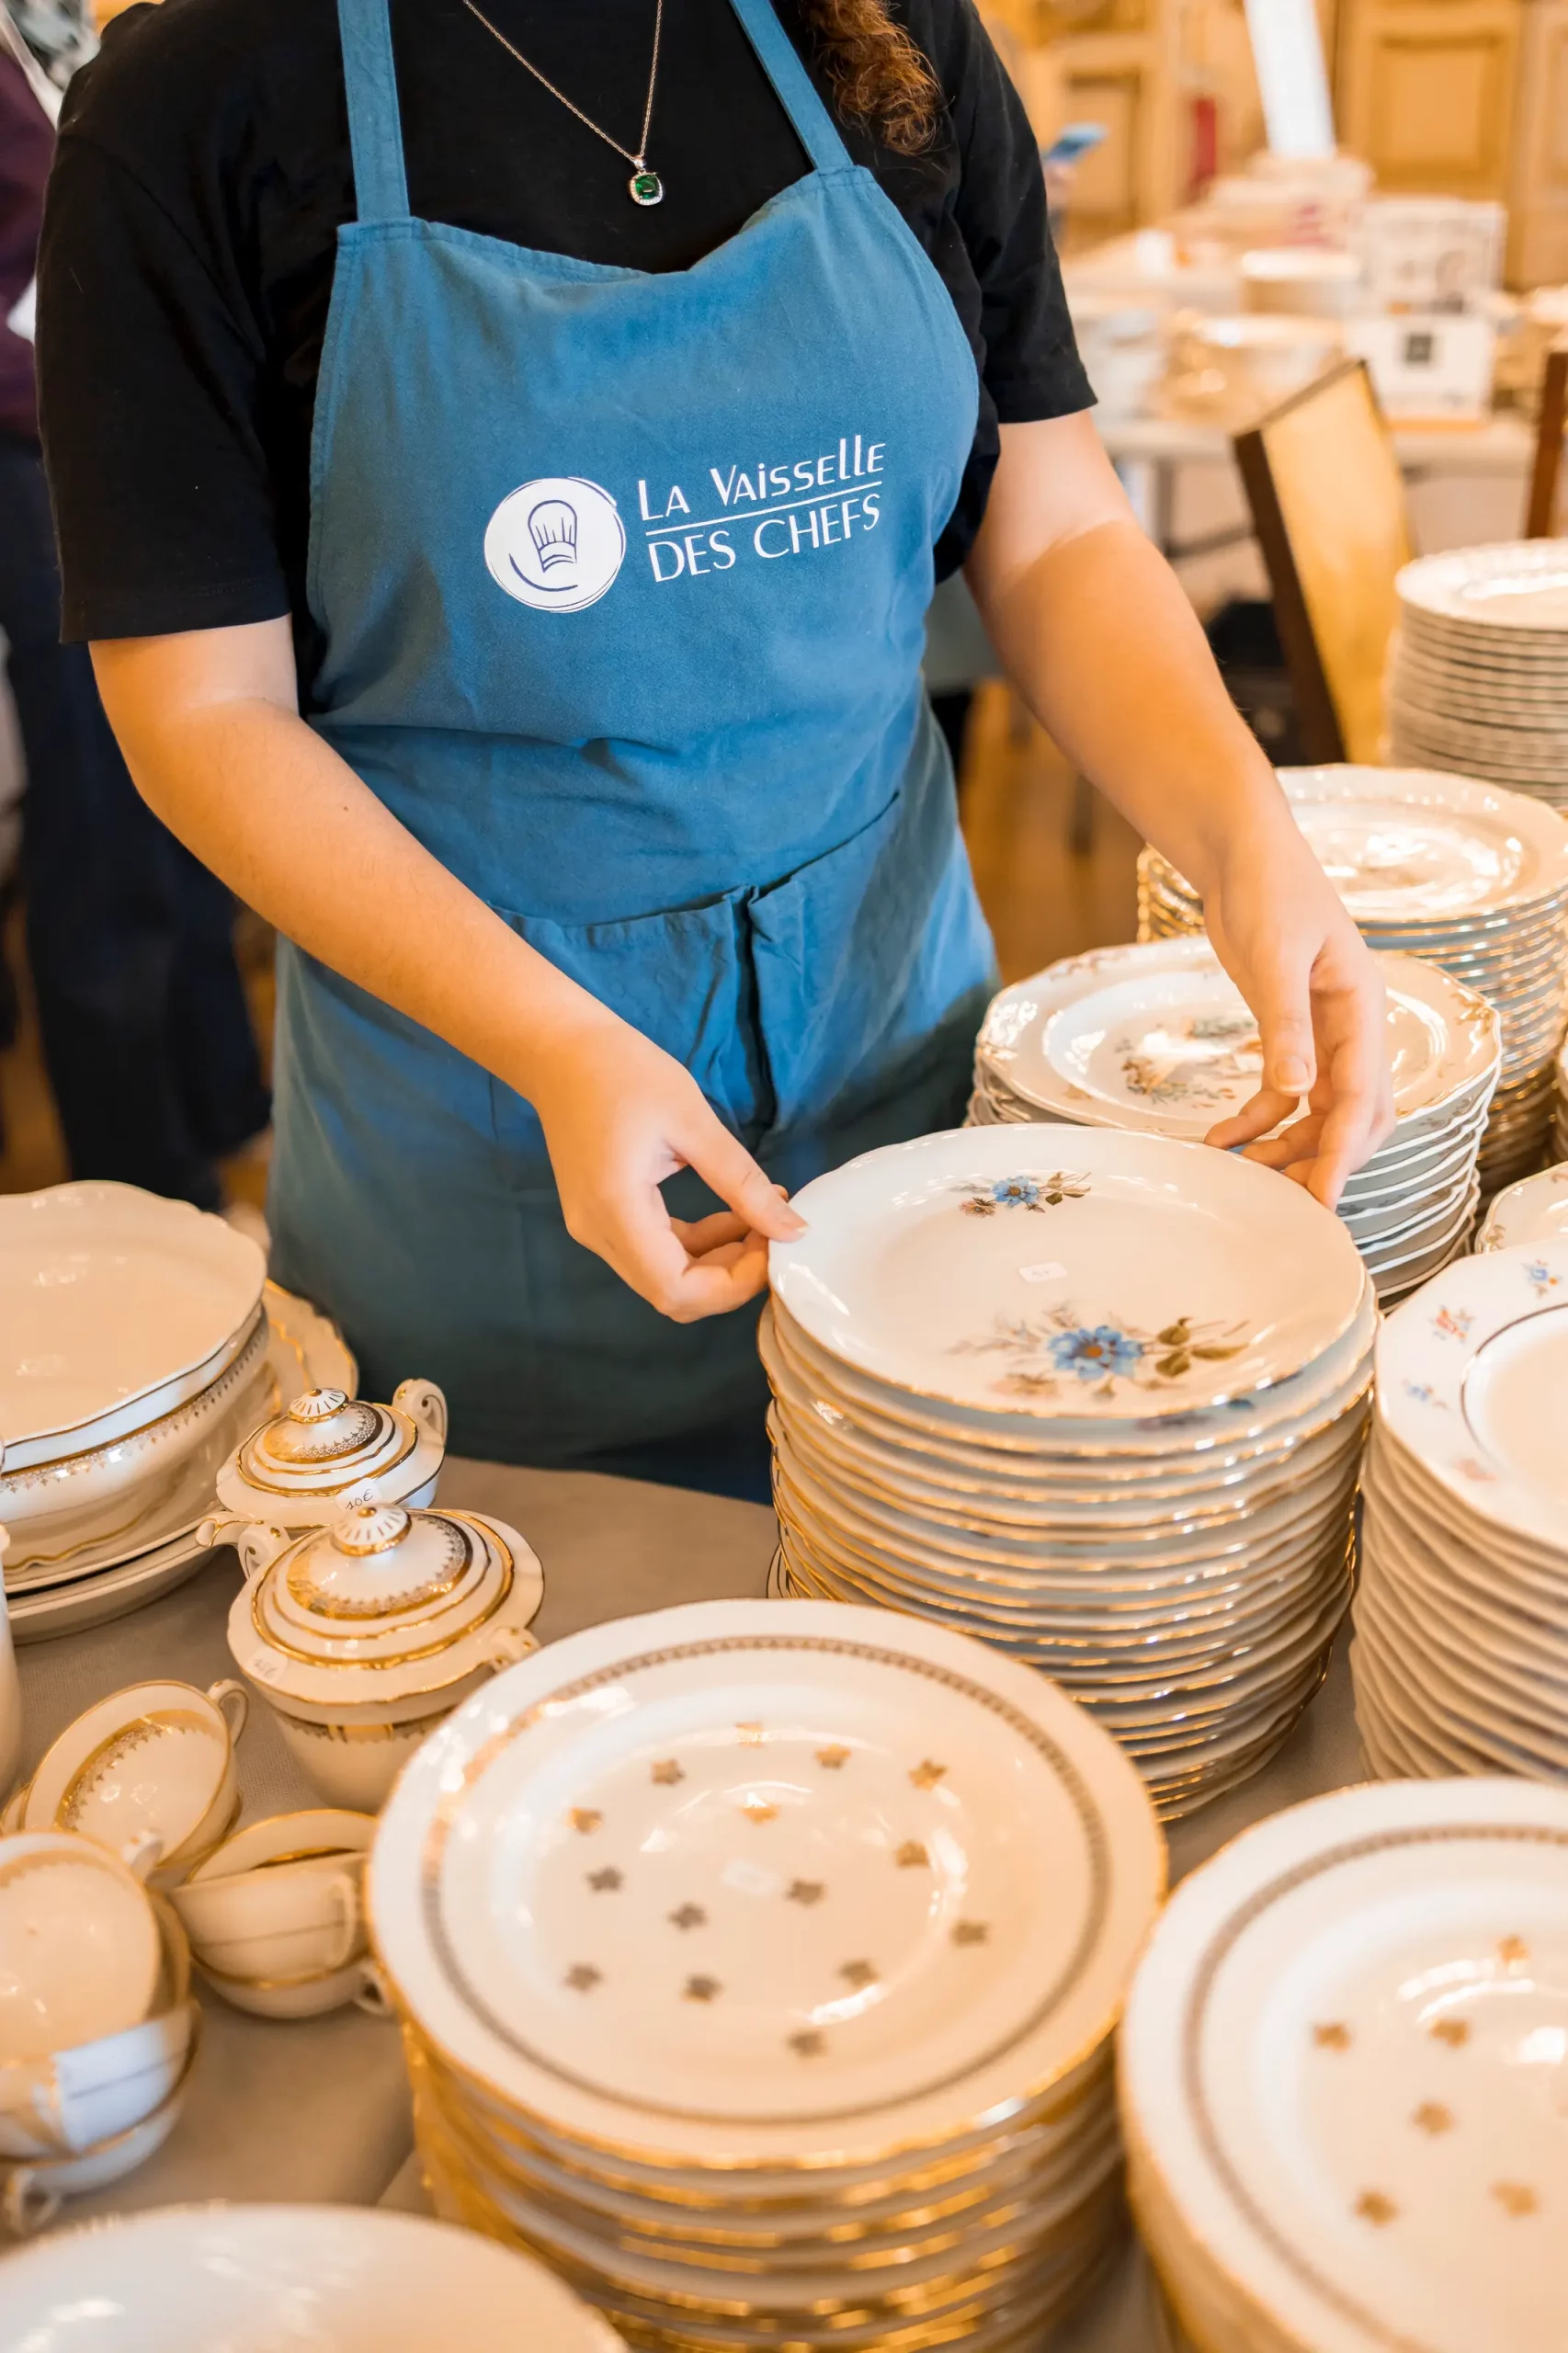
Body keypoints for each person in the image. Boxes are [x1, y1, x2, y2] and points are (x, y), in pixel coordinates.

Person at [36, 0, 1392, 1496]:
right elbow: (203, 710)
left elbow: (1057, 528)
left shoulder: (890, 28)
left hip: (917, 1100)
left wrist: (1242, 838)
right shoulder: (202, 93)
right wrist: (553, 1045)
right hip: (493, 1164)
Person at [1, 0, 269, 1205]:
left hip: (166, 433)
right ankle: (144, 1189)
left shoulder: (83, 28)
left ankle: (226, 1109)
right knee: (104, 826)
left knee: (207, 805)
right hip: (35, 452)